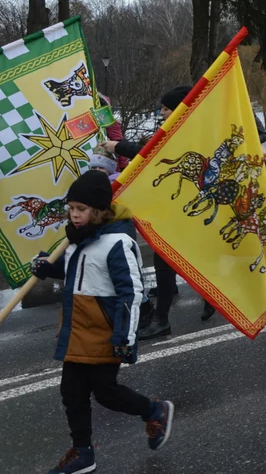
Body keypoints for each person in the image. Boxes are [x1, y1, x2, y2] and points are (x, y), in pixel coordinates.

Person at [31, 171, 174, 474]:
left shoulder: (117, 243)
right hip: (77, 328)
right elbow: (75, 272)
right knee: (71, 392)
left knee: (106, 392)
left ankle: (154, 411)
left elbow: (132, 293)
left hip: (106, 330)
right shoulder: (75, 240)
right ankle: (82, 451)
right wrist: (48, 267)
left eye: (80, 209)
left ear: (97, 210)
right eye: (70, 209)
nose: (74, 215)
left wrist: (125, 335)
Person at [98, 84, 192, 340]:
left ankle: (164, 316)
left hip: (181, 206)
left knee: (174, 258)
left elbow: (151, 154)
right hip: (170, 205)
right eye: (162, 108)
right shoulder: (173, 128)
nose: (162, 113)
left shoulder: (186, 130)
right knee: (165, 259)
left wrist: (118, 146)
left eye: (166, 108)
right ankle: (161, 316)